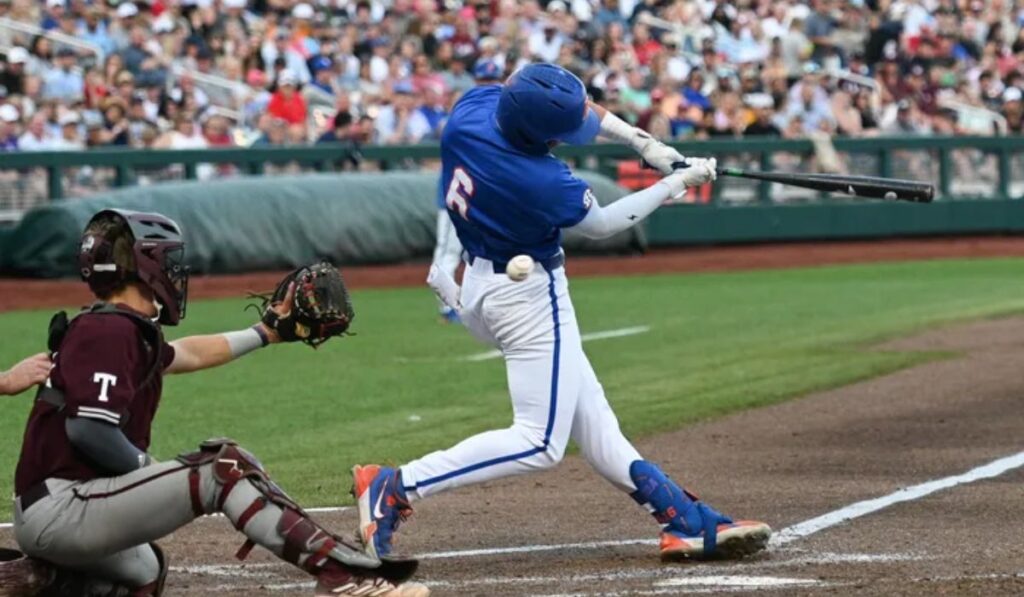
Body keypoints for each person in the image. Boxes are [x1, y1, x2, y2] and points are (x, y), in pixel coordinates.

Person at [353, 64, 770, 563]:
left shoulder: (473, 110)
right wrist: (676, 183)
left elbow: (575, 110)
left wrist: (642, 143)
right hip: (527, 298)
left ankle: (682, 519)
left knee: (592, 419)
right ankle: (395, 486)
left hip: (483, 283)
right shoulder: (539, 179)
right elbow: (602, 223)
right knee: (539, 442)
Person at [9, 209, 427, 596]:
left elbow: (187, 353)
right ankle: (347, 579)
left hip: (65, 507)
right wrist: (156, 475)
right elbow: (88, 430)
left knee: (143, 569)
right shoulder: (108, 331)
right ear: (145, 267)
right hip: (63, 508)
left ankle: (39, 580)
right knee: (221, 468)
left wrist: (266, 332)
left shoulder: (117, 328)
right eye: (168, 262)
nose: (175, 273)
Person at [428, 58, 503, 324]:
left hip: (475, 196)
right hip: (454, 195)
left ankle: (465, 303)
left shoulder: (492, 110)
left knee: (466, 252)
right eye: (483, 79)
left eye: (492, 80)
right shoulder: (465, 109)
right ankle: (446, 306)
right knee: (448, 250)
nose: (487, 85)